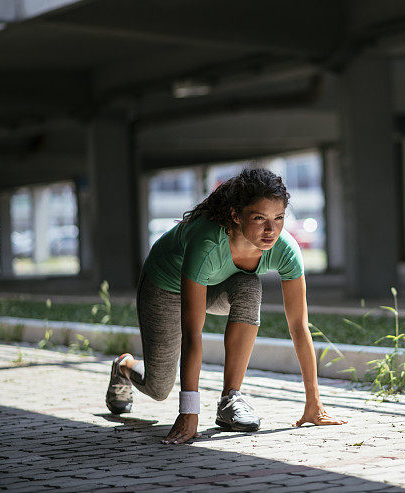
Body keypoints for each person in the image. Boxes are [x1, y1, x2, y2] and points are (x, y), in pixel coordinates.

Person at [105, 167, 345, 444]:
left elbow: (298, 326)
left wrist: (313, 404)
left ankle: (231, 397)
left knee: (249, 285)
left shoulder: (285, 249)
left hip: (219, 285)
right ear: (235, 215)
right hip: (166, 285)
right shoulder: (207, 242)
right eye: (259, 218)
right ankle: (124, 365)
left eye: (278, 218)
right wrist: (189, 411)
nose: (271, 230)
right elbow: (192, 333)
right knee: (159, 388)